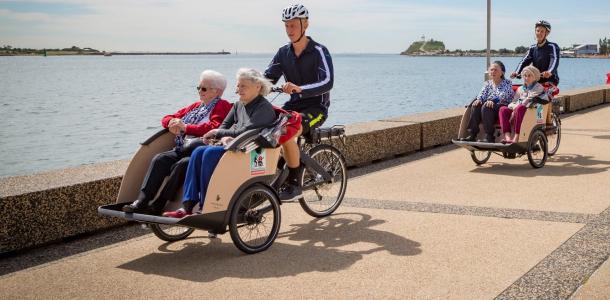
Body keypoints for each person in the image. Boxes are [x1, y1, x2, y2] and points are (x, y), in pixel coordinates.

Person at [163, 68, 277, 218]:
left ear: (258, 87)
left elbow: (245, 131)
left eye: (243, 86)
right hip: (233, 145)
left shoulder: (263, 108)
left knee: (209, 153)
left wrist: (220, 134)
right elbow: (223, 126)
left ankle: (205, 206)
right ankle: (187, 206)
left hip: (248, 149)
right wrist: (223, 136)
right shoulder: (238, 105)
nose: (238, 89)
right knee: (197, 152)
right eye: (238, 85)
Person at [123, 70, 232, 214]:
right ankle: (142, 201)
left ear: (217, 91)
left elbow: (215, 127)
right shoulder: (196, 106)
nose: (200, 91)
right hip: (182, 147)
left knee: (182, 165)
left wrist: (186, 127)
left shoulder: (222, 105)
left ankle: (159, 204)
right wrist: (172, 122)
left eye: (204, 88)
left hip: (200, 151)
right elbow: (167, 117)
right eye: (198, 87)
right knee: (160, 159)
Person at [264, 3, 334, 202]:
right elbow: (268, 78)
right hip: (293, 107)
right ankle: (277, 171)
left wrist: (300, 89)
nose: (289, 30)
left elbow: (328, 82)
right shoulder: (283, 53)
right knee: (265, 128)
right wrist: (251, 86)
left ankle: (295, 184)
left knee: (286, 132)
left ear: (306, 25)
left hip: (316, 108)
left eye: (293, 25)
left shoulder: (319, 51)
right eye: (286, 26)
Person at [461, 61, 514, 142]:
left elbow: (503, 95)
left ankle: (489, 136)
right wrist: (479, 99)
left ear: (502, 72)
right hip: (488, 107)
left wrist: (492, 100)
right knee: (476, 105)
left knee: (486, 106)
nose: (493, 72)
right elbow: (482, 94)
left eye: (495, 70)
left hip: (502, 107)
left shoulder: (507, 83)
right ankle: (472, 134)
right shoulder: (488, 83)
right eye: (491, 70)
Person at [499, 66, 548, 144]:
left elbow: (527, 101)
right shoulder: (520, 89)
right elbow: (513, 102)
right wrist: (513, 109)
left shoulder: (538, 87)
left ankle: (516, 137)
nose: (526, 78)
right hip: (517, 109)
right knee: (503, 109)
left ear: (534, 77)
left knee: (520, 107)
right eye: (525, 75)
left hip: (531, 110)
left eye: (529, 75)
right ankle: (507, 137)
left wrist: (515, 110)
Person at [511, 20, 560, 86]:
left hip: (550, 81)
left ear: (547, 33)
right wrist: (516, 72)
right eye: (537, 31)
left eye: (542, 31)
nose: (539, 33)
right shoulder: (532, 48)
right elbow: (524, 62)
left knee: (537, 94)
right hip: (535, 81)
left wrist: (549, 72)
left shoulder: (552, 46)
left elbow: (554, 60)